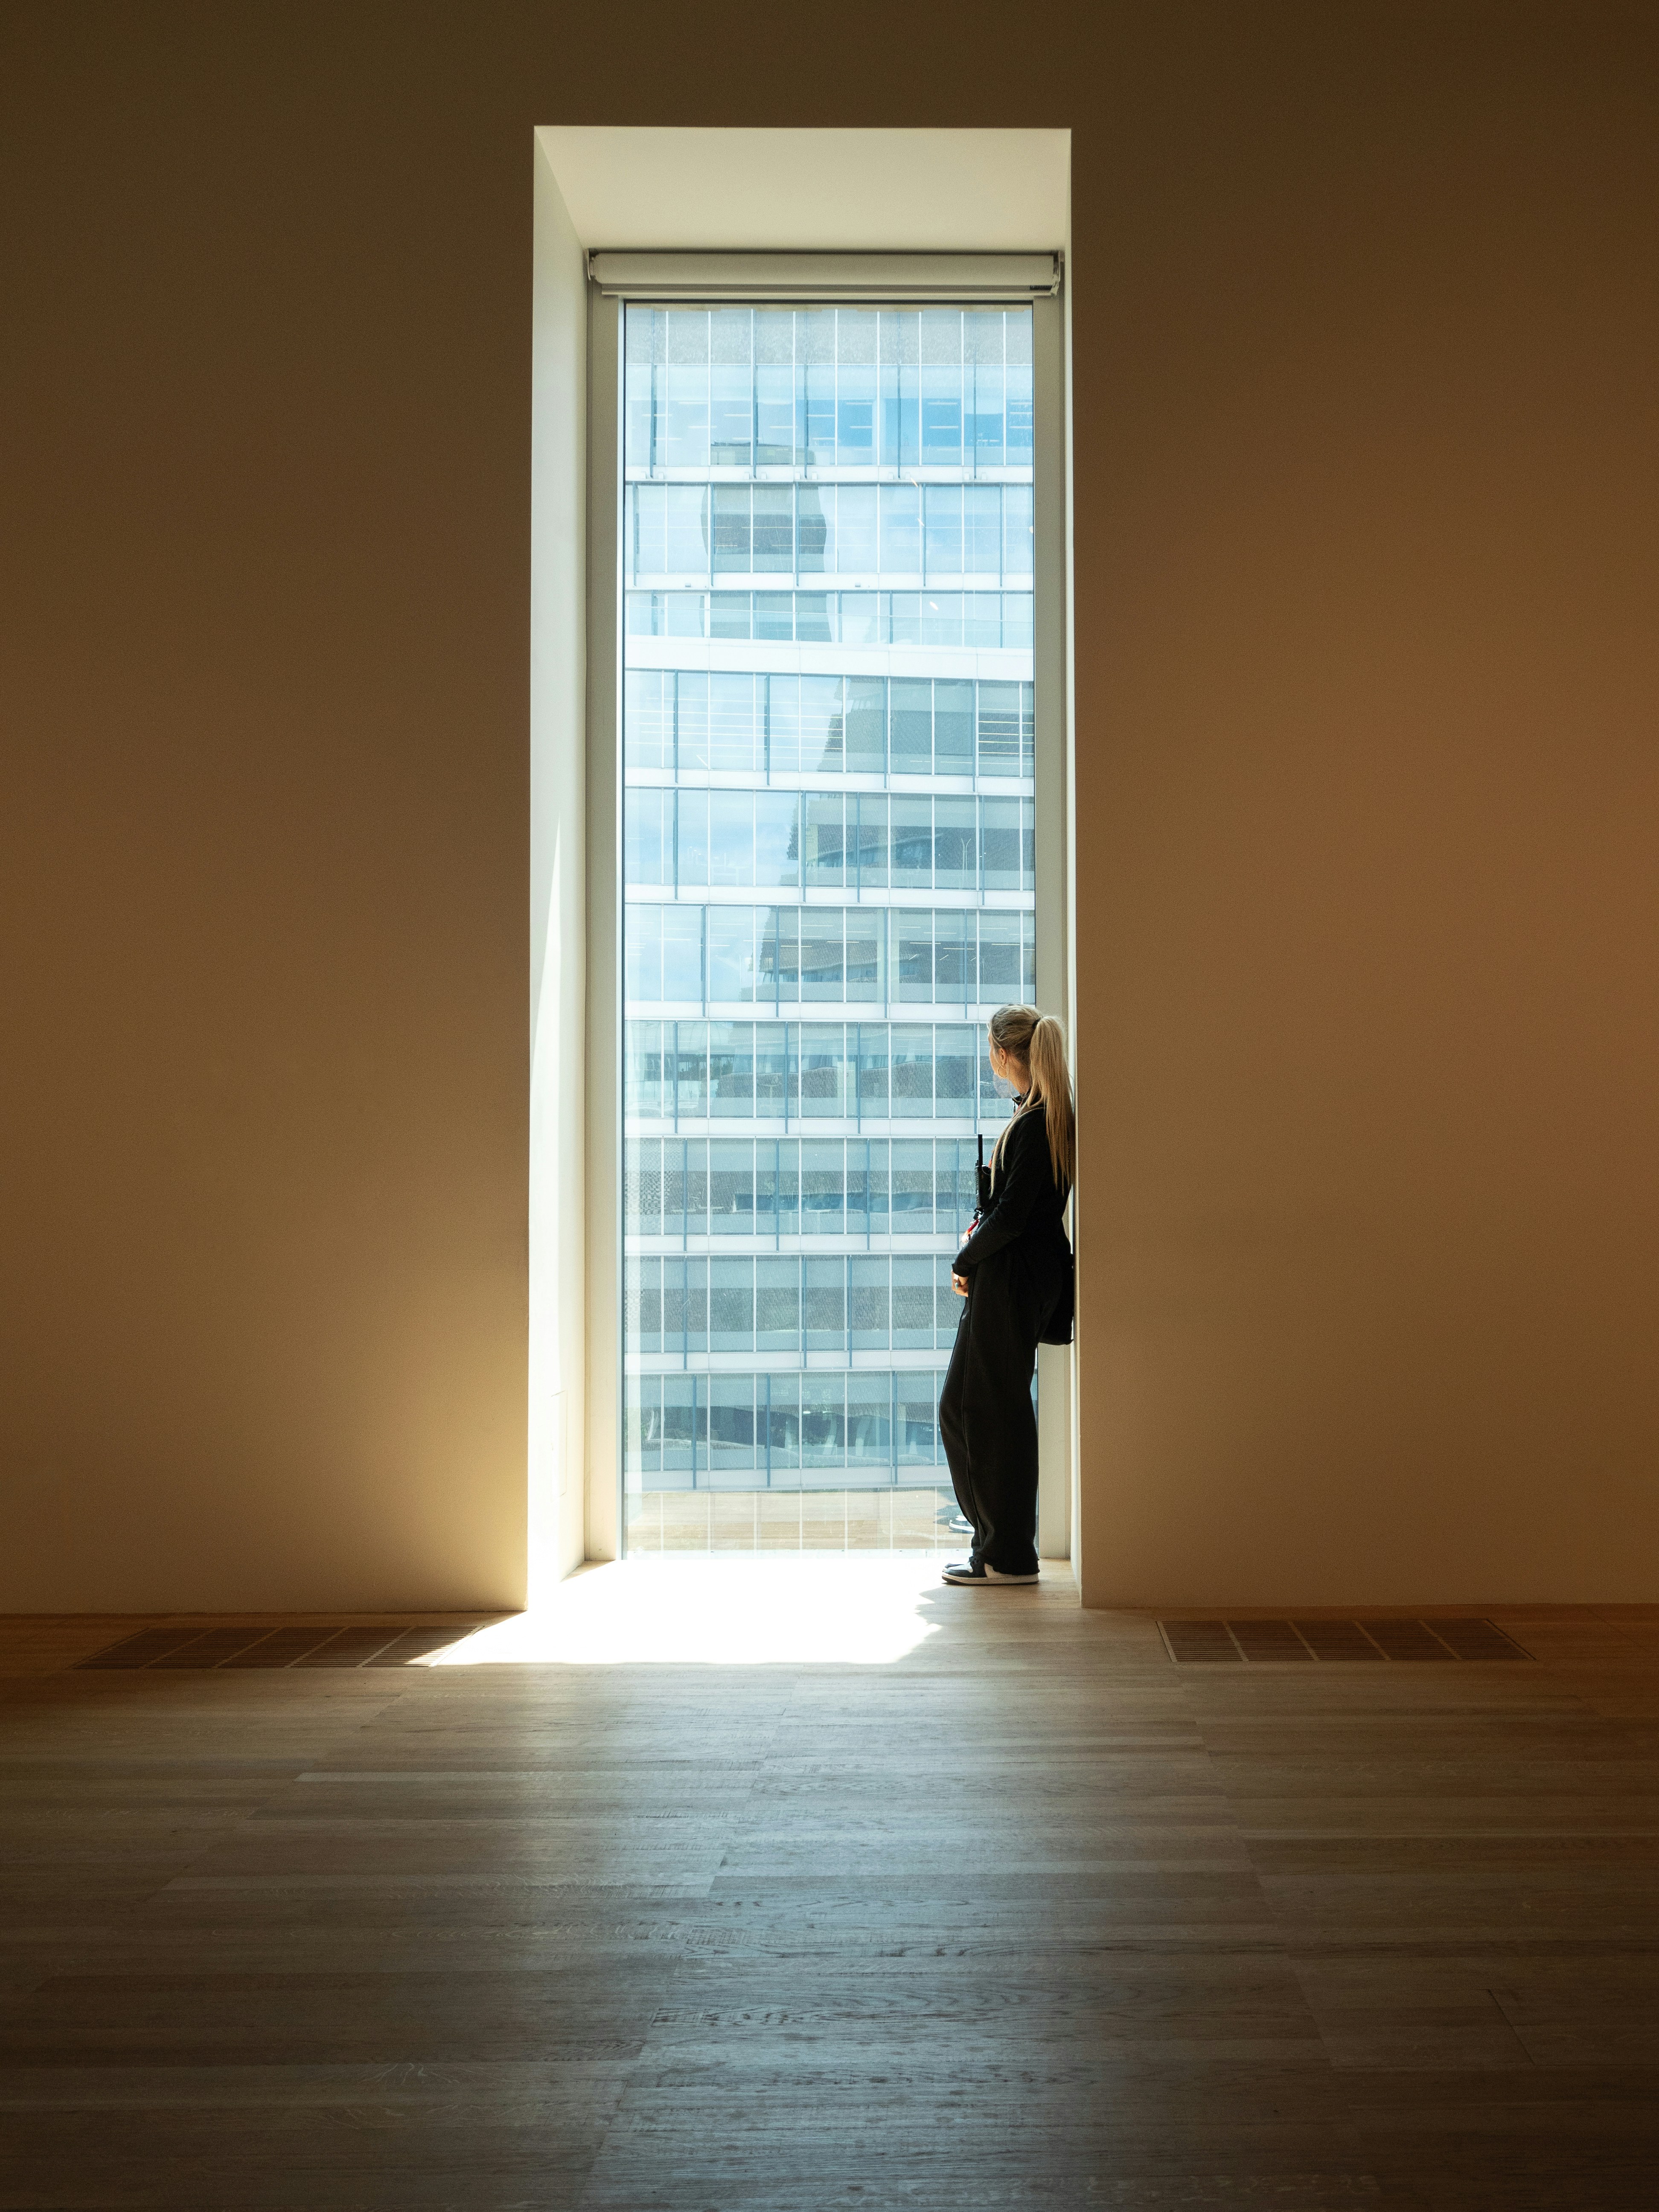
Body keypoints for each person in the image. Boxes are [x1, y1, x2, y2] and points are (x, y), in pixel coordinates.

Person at [938, 1005, 1075, 1586]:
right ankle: (997, 1548)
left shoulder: (1038, 1122)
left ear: (1002, 1053)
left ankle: (1006, 1554)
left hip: (1012, 1280)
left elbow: (1013, 1216)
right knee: (980, 1410)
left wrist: (965, 1259)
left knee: (988, 1413)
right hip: (1018, 1279)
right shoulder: (1042, 1117)